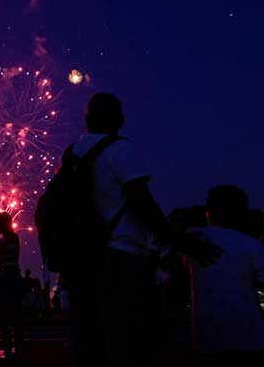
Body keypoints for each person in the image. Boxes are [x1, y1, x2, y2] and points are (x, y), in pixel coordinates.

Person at [67, 93, 220, 367]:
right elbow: (140, 200)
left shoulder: (72, 154)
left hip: (83, 258)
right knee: (130, 339)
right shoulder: (122, 150)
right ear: (120, 120)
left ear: (87, 120)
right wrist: (177, 240)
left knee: (91, 340)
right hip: (121, 254)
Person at [187, 185, 264, 367]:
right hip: (251, 335)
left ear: (209, 212)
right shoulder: (252, 245)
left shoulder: (193, 239)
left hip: (209, 337)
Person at [0, 212, 24, 362]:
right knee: (15, 316)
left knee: (5, 318)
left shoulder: (6, 240)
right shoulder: (13, 238)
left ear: (4, 223)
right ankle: (16, 349)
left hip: (6, 279)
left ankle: (10, 350)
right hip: (12, 278)